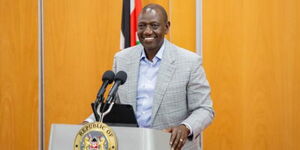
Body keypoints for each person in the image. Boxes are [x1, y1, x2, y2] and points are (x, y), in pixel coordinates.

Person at [85, 3, 214, 150]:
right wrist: (88, 123)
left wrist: (185, 127)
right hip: (131, 145)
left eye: (154, 25)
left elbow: (204, 109)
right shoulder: (122, 59)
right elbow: (112, 106)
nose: (147, 31)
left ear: (166, 27)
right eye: (142, 26)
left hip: (171, 146)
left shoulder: (189, 62)